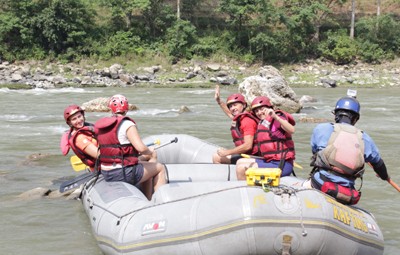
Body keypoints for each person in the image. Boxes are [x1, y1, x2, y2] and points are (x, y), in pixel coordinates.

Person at [303, 96, 390, 205]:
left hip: (320, 184)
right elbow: (379, 164)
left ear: (336, 115)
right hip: (346, 193)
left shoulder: (321, 128)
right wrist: (384, 176)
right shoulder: (365, 138)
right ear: (355, 119)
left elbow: (316, 153)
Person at [94, 94, 166, 200]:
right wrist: (149, 152)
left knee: (145, 166)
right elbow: (141, 148)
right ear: (126, 109)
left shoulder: (102, 125)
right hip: (121, 173)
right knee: (160, 168)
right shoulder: (127, 124)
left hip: (106, 172)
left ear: (111, 109)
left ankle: (147, 198)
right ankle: (159, 201)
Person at [235, 96, 296, 180]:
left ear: (269, 108)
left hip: (281, 165)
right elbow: (237, 115)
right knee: (240, 161)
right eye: (256, 111)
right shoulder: (262, 122)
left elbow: (291, 130)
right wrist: (220, 102)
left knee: (241, 168)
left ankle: (245, 190)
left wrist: (275, 116)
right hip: (270, 161)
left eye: (262, 109)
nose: (259, 112)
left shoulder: (276, 119)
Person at [213, 85, 258, 164]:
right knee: (217, 156)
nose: (232, 108)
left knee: (217, 157)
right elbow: (230, 114)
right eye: (230, 106)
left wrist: (228, 152)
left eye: (235, 105)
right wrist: (219, 101)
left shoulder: (247, 121)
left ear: (244, 105)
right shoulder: (240, 118)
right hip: (247, 155)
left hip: (255, 157)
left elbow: (248, 146)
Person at [60, 105, 98, 171]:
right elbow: (99, 155)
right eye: (74, 119)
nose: (79, 120)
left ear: (83, 115)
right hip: (100, 168)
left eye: (79, 116)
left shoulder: (88, 128)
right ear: (70, 122)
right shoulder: (79, 138)